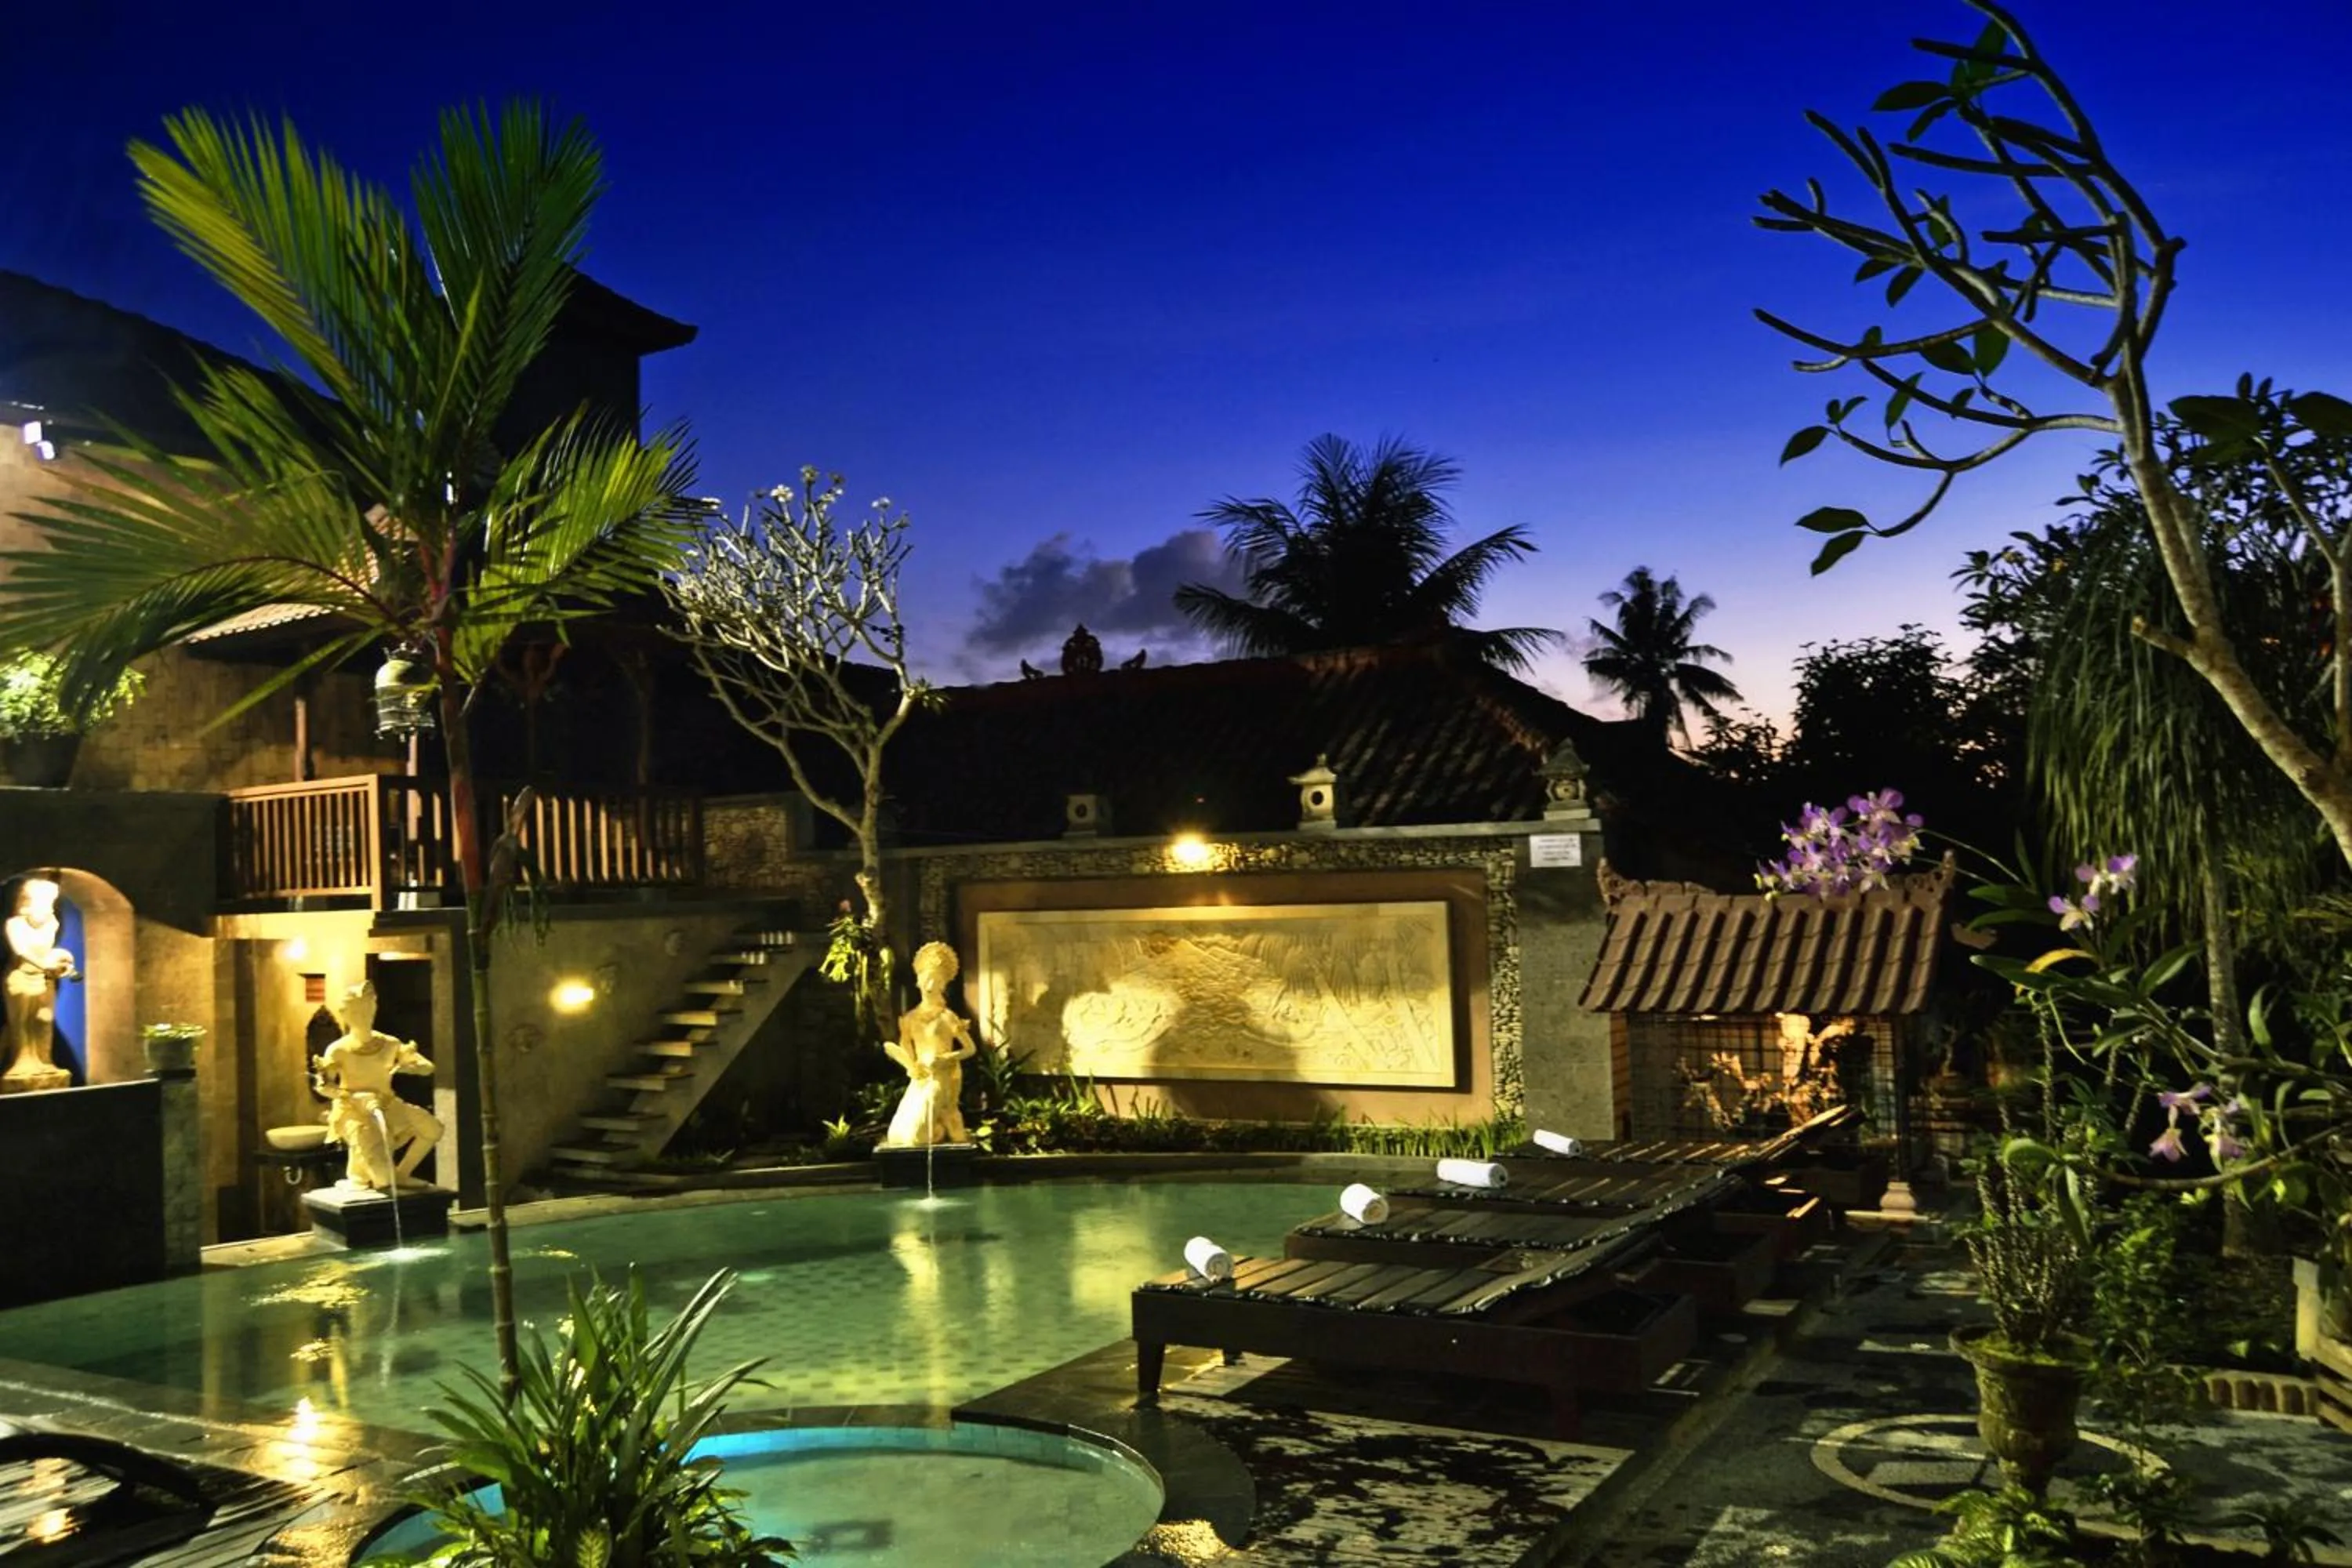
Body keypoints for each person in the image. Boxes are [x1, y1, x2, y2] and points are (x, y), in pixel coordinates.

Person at [312, 980, 441, 1189]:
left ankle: (401, 1173)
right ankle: (365, 1173)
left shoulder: (390, 1043)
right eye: (357, 1012)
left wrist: (414, 1066)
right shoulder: (339, 1050)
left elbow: (427, 1066)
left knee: (433, 1129)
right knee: (383, 1181)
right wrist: (352, 1096)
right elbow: (323, 1087)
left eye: (368, 1009)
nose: (364, 1016)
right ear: (346, 1015)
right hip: (354, 1113)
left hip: (388, 1106)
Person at [880, 941, 979, 1147]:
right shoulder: (909, 1018)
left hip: (944, 1076)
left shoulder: (947, 1017)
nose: (928, 985)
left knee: (916, 1139)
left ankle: (945, 1126)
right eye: (925, 978)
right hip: (920, 1078)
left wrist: (946, 1058)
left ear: (943, 984)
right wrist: (911, 1067)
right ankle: (940, 1129)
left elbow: (970, 1049)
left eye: (934, 980)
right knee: (897, 1137)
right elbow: (905, 1047)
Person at [2, 876, 76, 1090]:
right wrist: (45, 964)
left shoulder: (51, 923)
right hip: (20, 978)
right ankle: (22, 1063)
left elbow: (49, 951)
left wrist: (62, 959)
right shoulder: (14, 924)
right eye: (43, 902)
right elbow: (22, 951)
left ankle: (45, 1062)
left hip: (45, 979)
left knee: (44, 1020)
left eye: (50, 903)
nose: (47, 907)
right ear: (28, 901)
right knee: (23, 1022)